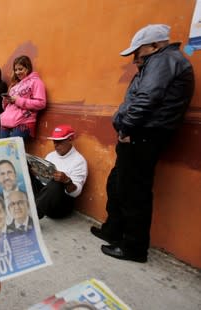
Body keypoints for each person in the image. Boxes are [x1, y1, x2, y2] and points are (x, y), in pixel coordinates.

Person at [90, 24, 194, 263]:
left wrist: (126, 128)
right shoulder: (160, 60)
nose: (136, 57)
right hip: (138, 133)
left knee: (134, 192)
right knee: (118, 183)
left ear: (155, 45)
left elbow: (146, 98)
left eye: (139, 51)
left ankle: (134, 248)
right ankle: (113, 230)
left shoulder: (163, 60)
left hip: (142, 134)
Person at [30, 125, 88, 219]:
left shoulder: (79, 161)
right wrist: (36, 174)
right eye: (54, 141)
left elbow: (76, 193)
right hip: (45, 197)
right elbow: (43, 180)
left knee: (56, 183)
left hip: (60, 207)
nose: (56, 145)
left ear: (70, 139)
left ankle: (34, 214)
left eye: (59, 141)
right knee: (28, 170)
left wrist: (67, 181)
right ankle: (28, 204)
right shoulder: (51, 155)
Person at [0, 55, 46, 140]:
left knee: (13, 151)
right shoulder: (14, 85)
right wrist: (6, 101)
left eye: (20, 69)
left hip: (23, 123)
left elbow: (41, 103)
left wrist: (18, 100)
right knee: (3, 151)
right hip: (6, 122)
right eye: (15, 70)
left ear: (28, 68)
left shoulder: (36, 82)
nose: (17, 72)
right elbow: (6, 107)